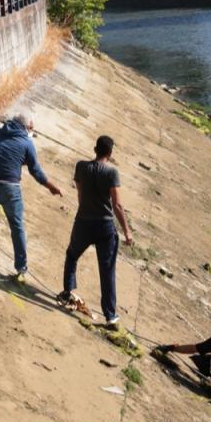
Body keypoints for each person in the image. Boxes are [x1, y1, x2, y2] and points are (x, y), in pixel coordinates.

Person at [0, 113, 62, 283]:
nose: (32, 130)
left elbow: (3, 154)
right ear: (26, 127)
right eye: (31, 127)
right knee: (17, 226)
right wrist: (51, 187)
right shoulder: (27, 143)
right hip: (11, 189)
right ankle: (21, 269)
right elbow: (35, 170)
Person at [57, 136, 132, 330]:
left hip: (83, 221)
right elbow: (117, 204)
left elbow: (80, 195)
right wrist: (127, 231)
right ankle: (110, 316)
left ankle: (67, 291)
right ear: (110, 153)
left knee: (72, 255)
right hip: (105, 226)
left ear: (95, 149)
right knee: (107, 271)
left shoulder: (81, 167)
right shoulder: (112, 172)